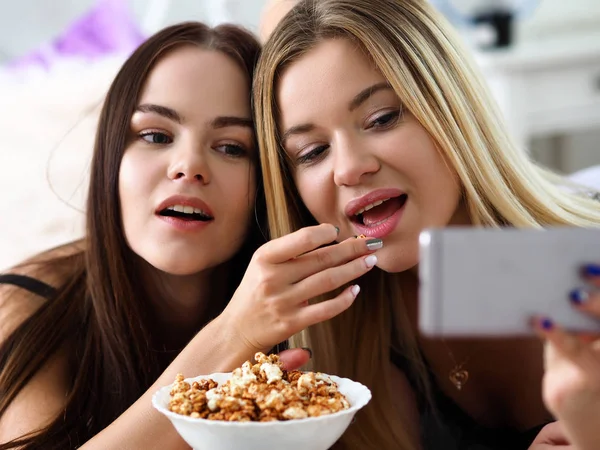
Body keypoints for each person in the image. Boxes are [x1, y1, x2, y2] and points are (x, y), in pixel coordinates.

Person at [0, 21, 379, 449]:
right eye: (155, 135)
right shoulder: (26, 304)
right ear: (111, 158)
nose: (188, 165)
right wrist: (233, 337)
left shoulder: (326, 309)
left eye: (232, 147)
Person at [253, 0, 600, 449]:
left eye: (381, 119)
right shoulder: (352, 339)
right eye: (312, 152)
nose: (349, 168)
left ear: (452, 107)